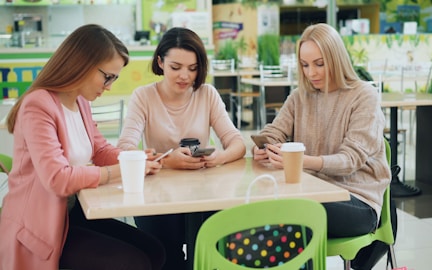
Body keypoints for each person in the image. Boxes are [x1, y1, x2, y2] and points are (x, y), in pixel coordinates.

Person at [0, 24, 166, 270]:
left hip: (70, 215)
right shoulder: (39, 105)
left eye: (114, 78)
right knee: (134, 262)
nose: (109, 86)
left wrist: (139, 157)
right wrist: (120, 170)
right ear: (82, 64)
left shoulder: (81, 102)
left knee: (155, 250)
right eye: (107, 76)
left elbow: (99, 151)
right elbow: (57, 178)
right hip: (39, 226)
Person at [117, 27, 246, 269]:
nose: (184, 76)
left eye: (192, 68)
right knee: (167, 258)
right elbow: (125, 149)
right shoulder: (143, 97)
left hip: (203, 195)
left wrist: (219, 157)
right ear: (160, 62)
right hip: (157, 200)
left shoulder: (207, 93)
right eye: (176, 67)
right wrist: (166, 162)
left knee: (207, 256)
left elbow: (237, 143)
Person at [253, 23, 391, 238]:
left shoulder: (364, 95)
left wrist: (299, 160)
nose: (311, 73)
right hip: (310, 190)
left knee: (290, 214)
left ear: (336, 59)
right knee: (262, 208)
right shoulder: (300, 96)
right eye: (304, 65)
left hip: (357, 200)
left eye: (319, 64)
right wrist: (265, 147)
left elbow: (350, 160)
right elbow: (274, 131)